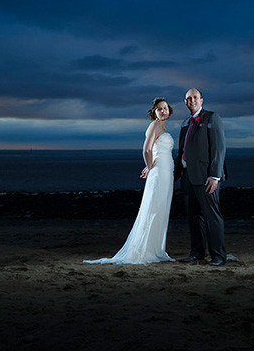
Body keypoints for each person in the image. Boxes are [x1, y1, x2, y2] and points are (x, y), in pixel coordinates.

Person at [84, 98, 176, 264]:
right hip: (159, 172)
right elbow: (146, 149)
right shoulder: (154, 126)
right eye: (159, 109)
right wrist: (150, 167)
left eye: (165, 108)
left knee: (161, 208)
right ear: (154, 112)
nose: (163, 111)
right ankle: (144, 251)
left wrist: (150, 166)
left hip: (167, 171)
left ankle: (155, 248)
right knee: (153, 208)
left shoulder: (163, 127)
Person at [174, 88, 228, 266]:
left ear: (201, 100)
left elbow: (219, 148)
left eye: (195, 97)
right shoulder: (185, 123)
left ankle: (218, 256)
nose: (192, 101)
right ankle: (197, 253)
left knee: (212, 217)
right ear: (185, 102)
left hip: (206, 177)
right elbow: (182, 150)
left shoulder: (212, 117)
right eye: (188, 98)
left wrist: (215, 175)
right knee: (193, 217)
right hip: (187, 176)